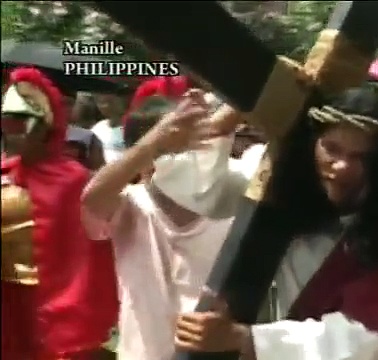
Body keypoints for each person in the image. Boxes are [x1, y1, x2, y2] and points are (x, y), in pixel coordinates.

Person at [170, 82, 378, 359]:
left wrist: (245, 340)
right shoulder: (281, 188)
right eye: (331, 149)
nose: (341, 166)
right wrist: (234, 112)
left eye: (362, 158)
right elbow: (198, 190)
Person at [80, 78, 254, 360]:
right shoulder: (130, 204)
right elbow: (92, 199)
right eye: (171, 148)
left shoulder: (232, 199)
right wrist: (157, 141)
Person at [1, 67, 118, 359]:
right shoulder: (4, 175)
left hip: (58, 309)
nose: (11, 131)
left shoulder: (75, 180)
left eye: (21, 122)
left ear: (46, 126)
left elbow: (83, 256)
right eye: (7, 122)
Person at [91, 92, 128, 163]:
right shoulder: (98, 128)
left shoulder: (131, 129)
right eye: (100, 102)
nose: (104, 106)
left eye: (109, 102)